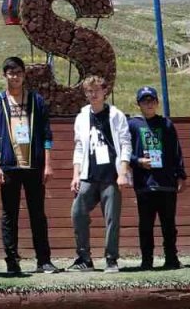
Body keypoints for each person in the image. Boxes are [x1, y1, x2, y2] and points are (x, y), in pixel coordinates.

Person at [0, 57, 60, 275]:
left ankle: (44, 260)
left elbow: (47, 135)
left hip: (34, 166)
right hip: (8, 167)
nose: (14, 76)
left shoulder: (36, 100)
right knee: (10, 215)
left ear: (24, 74)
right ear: (4, 75)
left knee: (38, 214)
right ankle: (12, 261)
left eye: (18, 72)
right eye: (10, 73)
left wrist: (48, 164)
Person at [68, 75, 132, 273]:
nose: (92, 94)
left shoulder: (115, 115)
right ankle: (84, 258)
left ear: (105, 91)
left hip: (110, 175)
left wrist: (122, 172)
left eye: (96, 90)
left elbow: (125, 144)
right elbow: (79, 147)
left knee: (111, 218)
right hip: (89, 173)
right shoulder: (82, 116)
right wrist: (76, 175)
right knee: (77, 212)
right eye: (88, 91)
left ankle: (111, 259)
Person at [128, 86, 186, 270]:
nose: (149, 104)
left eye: (151, 100)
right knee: (146, 224)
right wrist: (137, 161)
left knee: (169, 224)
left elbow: (177, 151)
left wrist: (181, 175)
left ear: (157, 102)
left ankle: (171, 258)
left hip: (166, 183)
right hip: (144, 183)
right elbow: (123, 151)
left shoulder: (166, 124)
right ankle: (147, 260)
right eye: (144, 101)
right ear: (138, 104)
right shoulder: (133, 125)